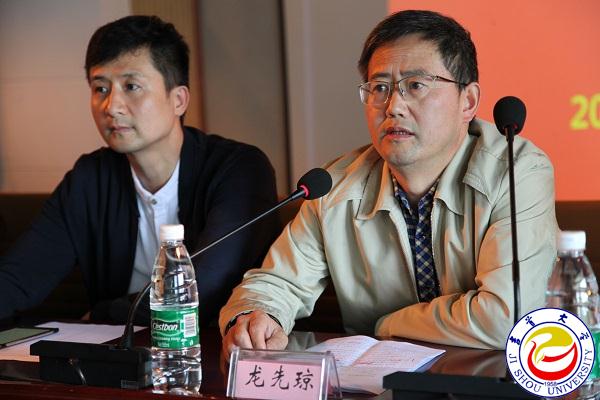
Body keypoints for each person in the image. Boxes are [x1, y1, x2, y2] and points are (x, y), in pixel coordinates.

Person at [220, 9, 557, 356]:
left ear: (467, 101)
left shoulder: (517, 171)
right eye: (380, 87)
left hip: (497, 376)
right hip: (379, 381)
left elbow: (507, 318)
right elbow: (276, 283)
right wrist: (255, 317)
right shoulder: (334, 188)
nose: (394, 106)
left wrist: (386, 324)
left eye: (416, 85)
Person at [0, 15, 280, 326]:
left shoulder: (239, 169)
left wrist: (106, 314)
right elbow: (20, 276)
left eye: (131, 86)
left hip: (211, 345)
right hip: (116, 350)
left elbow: (207, 284)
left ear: (178, 100)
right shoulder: (90, 179)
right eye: (100, 88)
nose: (111, 106)